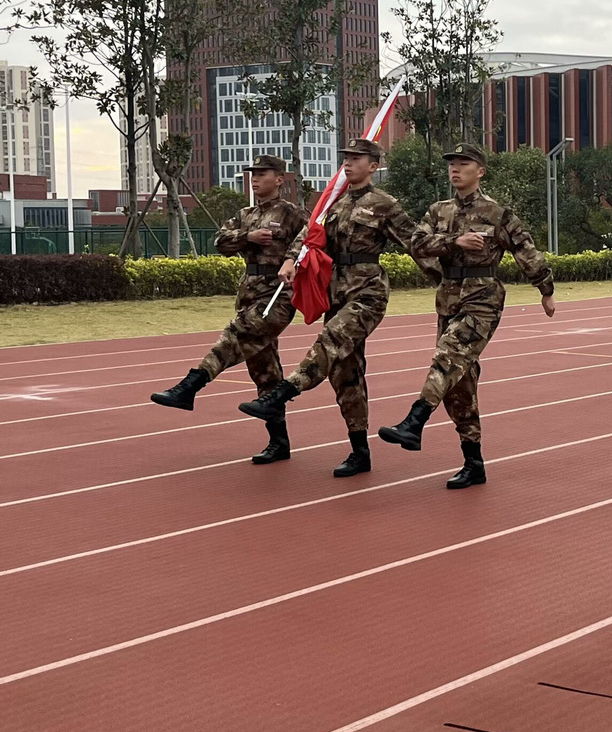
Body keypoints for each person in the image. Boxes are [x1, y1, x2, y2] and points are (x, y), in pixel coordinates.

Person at [237, 137, 440, 477]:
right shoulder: (334, 202)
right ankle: (360, 451)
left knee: (331, 339)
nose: (348, 162)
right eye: (346, 157)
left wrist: (443, 275)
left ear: (373, 166)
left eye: (357, 158)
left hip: (368, 293)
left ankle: (283, 393)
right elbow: (309, 235)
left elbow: (416, 242)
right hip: (337, 292)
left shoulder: (383, 203)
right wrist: (290, 260)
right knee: (345, 373)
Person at [377, 142, 556, 489]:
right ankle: (473, 463)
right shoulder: (437, 212)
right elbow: (414, 243)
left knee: (448, 356)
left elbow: (525, 250)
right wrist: (454, 241)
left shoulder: (498, 214)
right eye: (452, 164)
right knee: (459, 384)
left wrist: (545, 290)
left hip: (483, 297)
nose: (455, 169)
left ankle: (414, 421)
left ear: (480, 171)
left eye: (463, 163)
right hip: (448, 298)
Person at [150, 154, 308, 464]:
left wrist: (290, 257)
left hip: (278, 295)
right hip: (249, 292)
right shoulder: (244, 215)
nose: (255, 178)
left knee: (236, 335)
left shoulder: (292, 214)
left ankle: (190, 385)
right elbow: (220, 241)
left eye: (262, 173)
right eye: (253, 173)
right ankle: (279, 442)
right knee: (264, 372)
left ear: (279, 179)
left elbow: (311, 241)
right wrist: (247, 236)